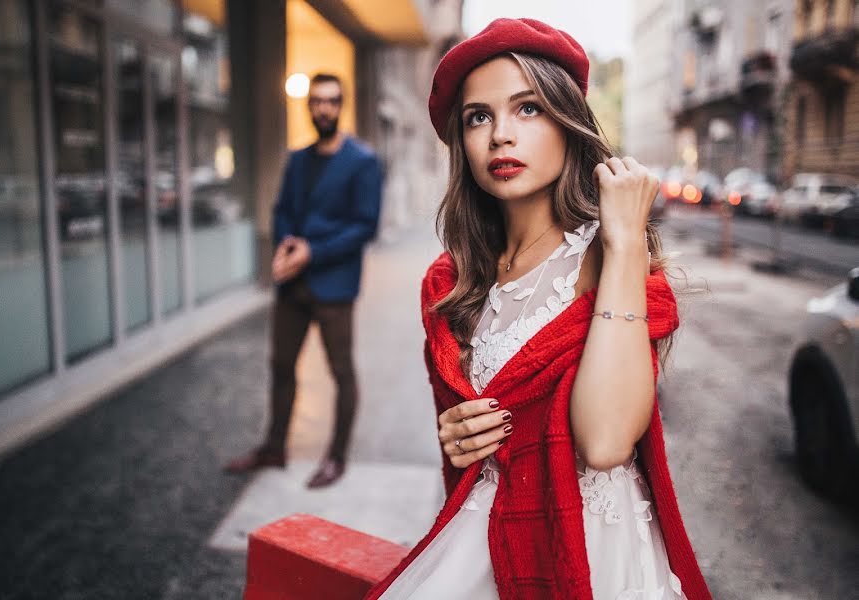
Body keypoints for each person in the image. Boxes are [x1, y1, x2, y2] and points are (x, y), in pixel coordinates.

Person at [364, 19, 711, 600]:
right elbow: (469, 439)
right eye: (479, 116)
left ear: (567, 122)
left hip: (593, 551)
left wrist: (625, 243)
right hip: (484, 536)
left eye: (528, 109)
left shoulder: (609, 259)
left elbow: (604, 444)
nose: (501, 134)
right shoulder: (454, 283)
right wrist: (456, 435)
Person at [224, 73, 383, 489]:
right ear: (309, 106)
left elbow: (365, 227)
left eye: (331, 101)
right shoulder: (298, 159)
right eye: (316, 101)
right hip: (292, 287)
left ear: (341, 105)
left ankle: (336, 457)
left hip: (334, 287)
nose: (323, 108)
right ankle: (274, 447)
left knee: (341, 371)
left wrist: (312, 252)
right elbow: (282, 211)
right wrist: (285, 246)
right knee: (280, 366)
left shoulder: (363, 162)